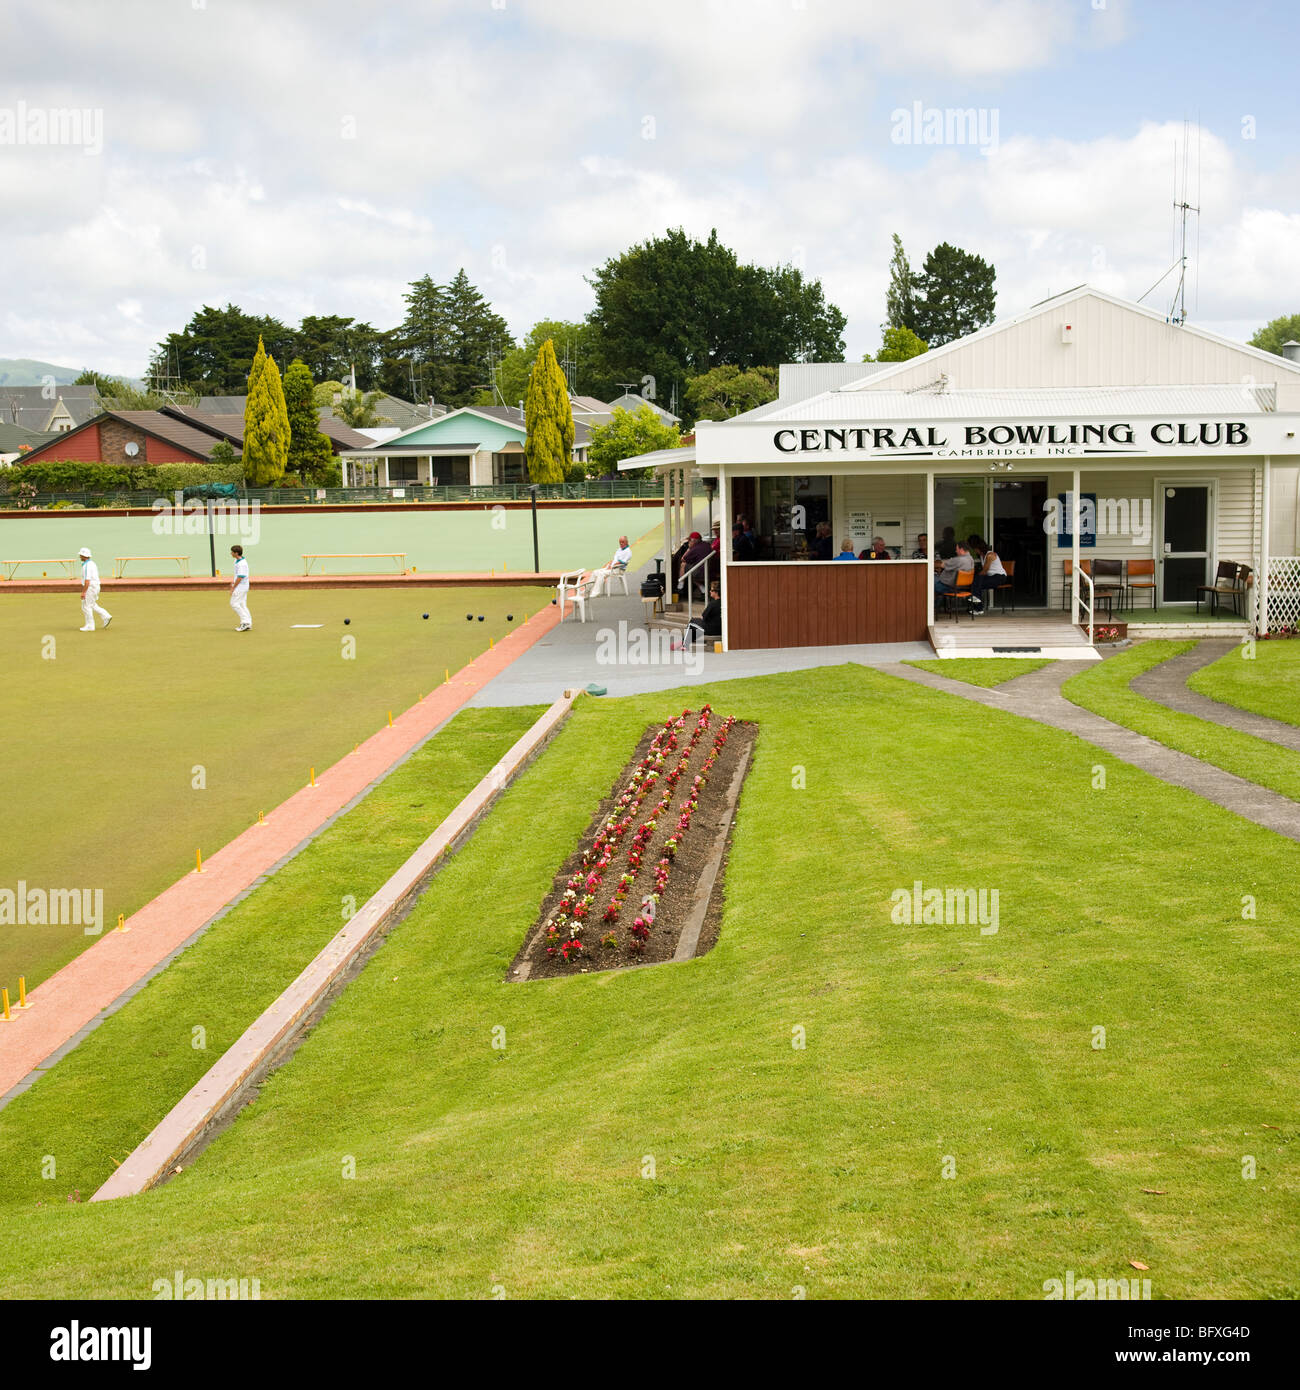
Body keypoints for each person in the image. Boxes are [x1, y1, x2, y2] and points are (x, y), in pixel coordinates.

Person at [77, 547, 112, 632]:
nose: (79, 556)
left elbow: (87, 580)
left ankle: (90, 626)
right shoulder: (92, 563)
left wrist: (83, 592)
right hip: (96, 586)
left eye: (81, 555)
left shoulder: (86, 566)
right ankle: (106, 615)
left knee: (86, 606)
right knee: (92, 604)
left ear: (84, 556)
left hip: (90, 588)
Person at [969, 543, 1009, 614]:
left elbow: (984, 571)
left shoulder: (990, 555)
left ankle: (979, 608)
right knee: (975, 583)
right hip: (991, 576)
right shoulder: (982, 556)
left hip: (999, 577)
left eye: (975, 549)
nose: (975, 551)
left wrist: (975, 577)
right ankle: (978, 608)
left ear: (979, 549)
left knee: (976, 584)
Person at [685, 579, 723, 646]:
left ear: (716, 592)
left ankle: (685, 643)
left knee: (692, 622)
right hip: (720, 629)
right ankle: (690, 640)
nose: (710, 591)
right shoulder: (723, 602)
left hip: (711, 630)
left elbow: (703, 617)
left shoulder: (712, 604)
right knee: (697, 622)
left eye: (711, 590)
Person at [679, 530, 713, 598]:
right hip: (710, 569)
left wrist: (689, 548)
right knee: (691, 572)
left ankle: (680, 586)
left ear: (693, 541)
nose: (689, 542)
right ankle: (703, 590)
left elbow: (683, 559)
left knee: (683, 564)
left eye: (689, 541)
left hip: (701, 572)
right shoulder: (706, 544)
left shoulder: (695, 548)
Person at [230, 544, 251, 631]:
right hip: (242, 586)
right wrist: (233, 582)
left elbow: (240, 576)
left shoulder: (242, 564)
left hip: (241, 587)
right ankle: (248, 623)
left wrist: (233, 588)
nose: (230, 553)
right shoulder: (237, 561)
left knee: (234, 604)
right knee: (242, 604)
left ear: (236, 553)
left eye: (232, 552)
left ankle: (245, 622)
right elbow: (237, 575)